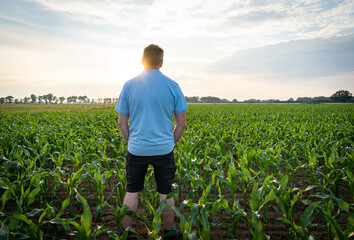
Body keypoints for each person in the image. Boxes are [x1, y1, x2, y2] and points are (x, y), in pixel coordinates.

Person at [115, 44, 188, 239]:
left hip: (137, 149)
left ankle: (125, 233)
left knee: (132, 191)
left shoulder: (129, 85)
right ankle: (169, 233)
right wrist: (170, 143)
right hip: (164, 149)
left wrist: (133, 142)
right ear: (161, 62)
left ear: (142, 60)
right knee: (165, 192)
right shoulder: (173, 86)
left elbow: (122, 123)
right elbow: (181, 124)